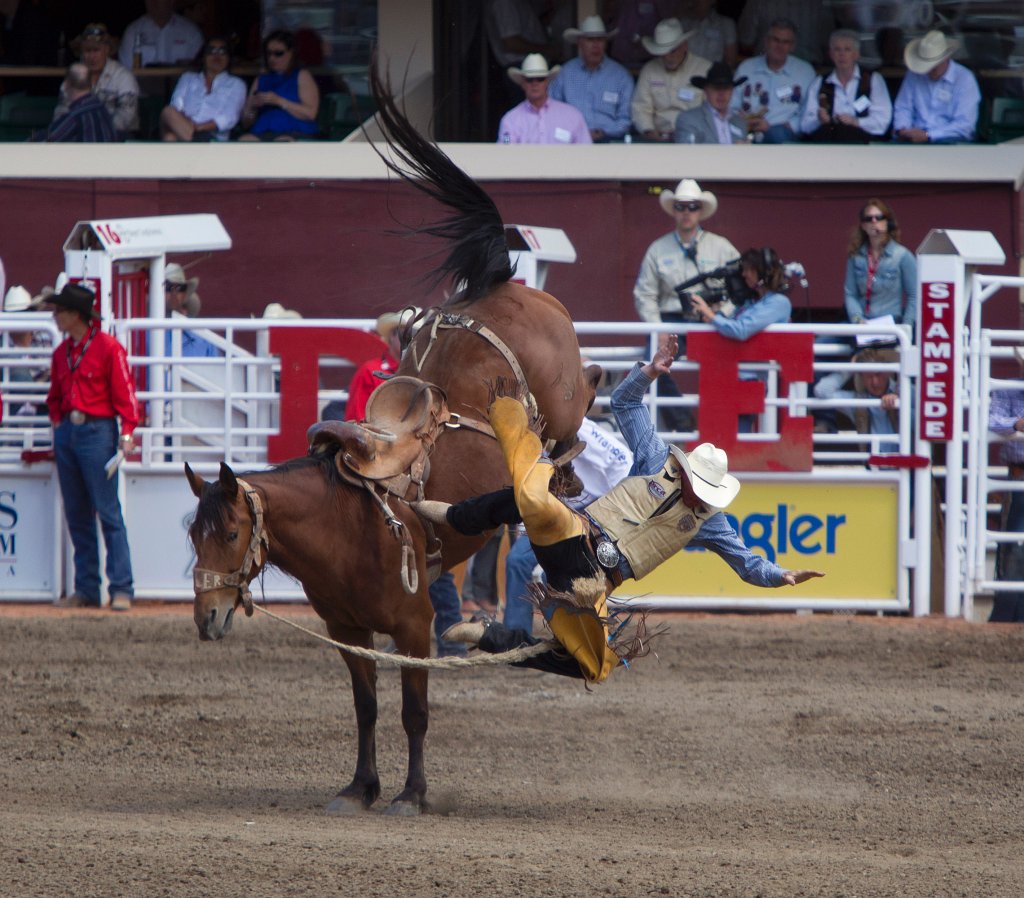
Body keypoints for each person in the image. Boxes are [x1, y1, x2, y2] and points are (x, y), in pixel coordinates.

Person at [430, 337, 824, 682]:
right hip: (578, 536)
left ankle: (494, 637)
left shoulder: (710, 523)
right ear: (686, 473)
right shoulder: (656, 458)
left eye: (706, 495)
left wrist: (780, 575)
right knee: (531, 499)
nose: (699, 498)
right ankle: (459, 509)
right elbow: (626, 401)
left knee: (593, 665)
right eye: (698, 488)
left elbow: (746, 563)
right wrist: (650, 371)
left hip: (595, 584)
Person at [35, 284, 138, 611]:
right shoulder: (64, 353)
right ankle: (90, 589)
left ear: (75, 314)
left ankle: (118, 587)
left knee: (106, 512)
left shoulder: (108, 349)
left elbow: (126, 398)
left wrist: (127, 431)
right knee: (79, 513)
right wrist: (57, 421)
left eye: (61, 311)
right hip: (74, 431)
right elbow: (54, 397)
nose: (56, 316)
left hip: (95, 431)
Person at [502, 414, 633, 634]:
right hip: (552, 509)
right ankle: (516, 635)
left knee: (555, 574)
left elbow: (623, 463)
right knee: (517, 560)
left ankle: (570, 636)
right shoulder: (526, 439)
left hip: (589, 514)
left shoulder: (583, 430)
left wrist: (602, 517)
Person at [813, 198, 916, 431]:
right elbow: (849, 293)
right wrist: (858, 320)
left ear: (888, 222)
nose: (874, 223)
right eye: (869, 219)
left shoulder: (903, 256)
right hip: (859, 322)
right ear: (862, 225)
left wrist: (906, 328)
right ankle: (825, 419)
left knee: (887, 368)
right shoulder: (856, 256)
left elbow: (914, 295)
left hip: (890, 324)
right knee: (816, 348)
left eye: (879, 218)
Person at [690, 246, 792, 432]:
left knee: (736, 438)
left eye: (749, 269)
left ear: (764, 271)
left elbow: (741, 329)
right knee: (719, 438)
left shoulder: (779, 303)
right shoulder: (751, 302)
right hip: (726, 376)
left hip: (747, 381)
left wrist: (711, 316)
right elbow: (731, 323)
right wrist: (714, 314)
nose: (744, 275)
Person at [634, 178, 739, 344]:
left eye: (693, 207)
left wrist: (720, 316)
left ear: (700, 210)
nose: (686, 212)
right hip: (670, 323)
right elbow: (645, 294)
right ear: (674, 210)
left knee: (721, 366)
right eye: (680, 206)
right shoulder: (658, 248)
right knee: (656, 364)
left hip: (711, 323)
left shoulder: (722, 247)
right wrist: (658, 328)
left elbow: (740, 289)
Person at [549, 15, 634, 142]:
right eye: (590, 40)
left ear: (605, 43)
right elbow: (551, 111)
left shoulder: (621, 76)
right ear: (580, 43)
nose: (596, 45)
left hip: (610, 142)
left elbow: (627, 119)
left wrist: (605, 131)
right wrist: (575, 132)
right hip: (571, 142)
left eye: (600, 40)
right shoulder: (565, 73)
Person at [800, 29, 893, 144]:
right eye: (837, 49)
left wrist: (856, 122)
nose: (842, 54)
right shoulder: (820, 82)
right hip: (828, 143)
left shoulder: (872, 80)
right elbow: (805, 124)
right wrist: (820, 121)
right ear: (831, 54)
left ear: (856, 55)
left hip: (863, 145)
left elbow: (882, 122)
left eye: (847, 49)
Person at [731, 18, 815, 144]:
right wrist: (743, 121)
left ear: (792, 46)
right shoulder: (746, 68)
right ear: (766, 41)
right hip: (748, 131)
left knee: (777, 134)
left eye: (786, 42)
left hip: (783, 135)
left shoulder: (804, 72)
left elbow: (810, 111)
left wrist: (790, 126)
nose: (780, 46)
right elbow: (731, 105)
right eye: (775, 40)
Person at [892, 30, 981, 144]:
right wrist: (903, 129)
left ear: (946, 58)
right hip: (914, 140)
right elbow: (903, 107)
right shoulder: (914, 75)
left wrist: (929, 135)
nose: (931, 69)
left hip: (951, 142)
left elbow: (965, 125)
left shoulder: (965, 79)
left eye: (935, 64)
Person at [631, 18, 711, 142]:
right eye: (663, 52)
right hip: (658, 139)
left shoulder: (704, 70)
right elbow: (640, 107)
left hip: (695, 139)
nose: (668, 57)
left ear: (685, 45)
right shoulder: (649, 70)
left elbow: (711, 111)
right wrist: (649, 131)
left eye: (672, 51)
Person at [54, 23, 138, 137]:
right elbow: (61, 112)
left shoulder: (123, 76)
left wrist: (99, 132)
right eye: (88, 51)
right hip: (80, 137)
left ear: (107, 50)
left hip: (120, 138)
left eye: (96, 50)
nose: (92, 56)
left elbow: (126, 116)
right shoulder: (74, 74)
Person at [987, 373, 1024, 622]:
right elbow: (992, 420)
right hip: (1018, 476)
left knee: (1013, 544)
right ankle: (1007, 615)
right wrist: (1017, 424)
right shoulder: (1006, 389)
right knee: (1012, 546)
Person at [160, 37, 246, 142]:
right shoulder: (188, 78)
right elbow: (177, 104)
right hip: (183, 129)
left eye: (222, 51)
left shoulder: (236, 84)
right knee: (168, 112)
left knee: (170, 138)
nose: (217, 55)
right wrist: (188, 125)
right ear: (203, 56)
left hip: (214, 138)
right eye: (211, 51)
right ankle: (197, 143)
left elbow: (229, 117)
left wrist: (200, 127)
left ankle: (197, 143)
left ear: (229, 58)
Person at [239, 30, 320, 142]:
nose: (272, 58)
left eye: (278, 53)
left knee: (282, 142)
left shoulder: (301, 75)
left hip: (295, 132)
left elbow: (310, 114)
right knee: (245, 140)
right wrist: (252, 107)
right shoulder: (261, 79)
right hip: (263, 132)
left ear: (291, 53)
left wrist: (279, 101)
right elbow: (246, 123)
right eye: (269, 54)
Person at [497, 53, 591, 144]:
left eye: (540, 78)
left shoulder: (573, 116)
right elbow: (506, 148)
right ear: (523, 84)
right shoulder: (510, 120)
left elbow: (587, 152)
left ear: (547, 82)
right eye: (530, 79)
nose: (535, 83)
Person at [29, 62, 118, 143]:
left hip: (88, 160)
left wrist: (31, 138)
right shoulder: (103, 110)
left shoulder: (75, 116)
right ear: (91, 84)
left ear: (66, 84)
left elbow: (47, 140)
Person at [344, 310, 403, 422]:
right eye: (406, 333)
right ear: (392, 336)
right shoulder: (370, 370)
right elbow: (357, 421)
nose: (412, 339)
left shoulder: (425, 371)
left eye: (417, 334)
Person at [737, 0, 834, 66]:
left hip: (765, 69)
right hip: (811, 68)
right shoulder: (820, 3)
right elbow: (828, 44)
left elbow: (746, 40)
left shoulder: (758, 2)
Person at [673, 60, 749, 144]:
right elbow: (686, 154)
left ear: (732, 91)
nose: (721, 94)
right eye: (716, 88)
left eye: (726, 88)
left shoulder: (740, 123)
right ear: (706, 90)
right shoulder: (689, 119)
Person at [118, 0, 204, 69]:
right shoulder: (133, 31)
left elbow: (199, 69)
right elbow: (126, 69)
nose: (153, 2)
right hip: (142, 89)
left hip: (182, 88)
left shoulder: (191, 32)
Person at [163, 263, 219, 358]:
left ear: (185, 294)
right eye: (168, 287)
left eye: (180, 288)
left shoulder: (204, 338)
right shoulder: (145, 334)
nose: (174, 292)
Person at [679, 0, 738, 68]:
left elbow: (730, 61)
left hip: (712, 75)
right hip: (685, 74)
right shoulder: (682, 23)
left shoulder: (726, 24)